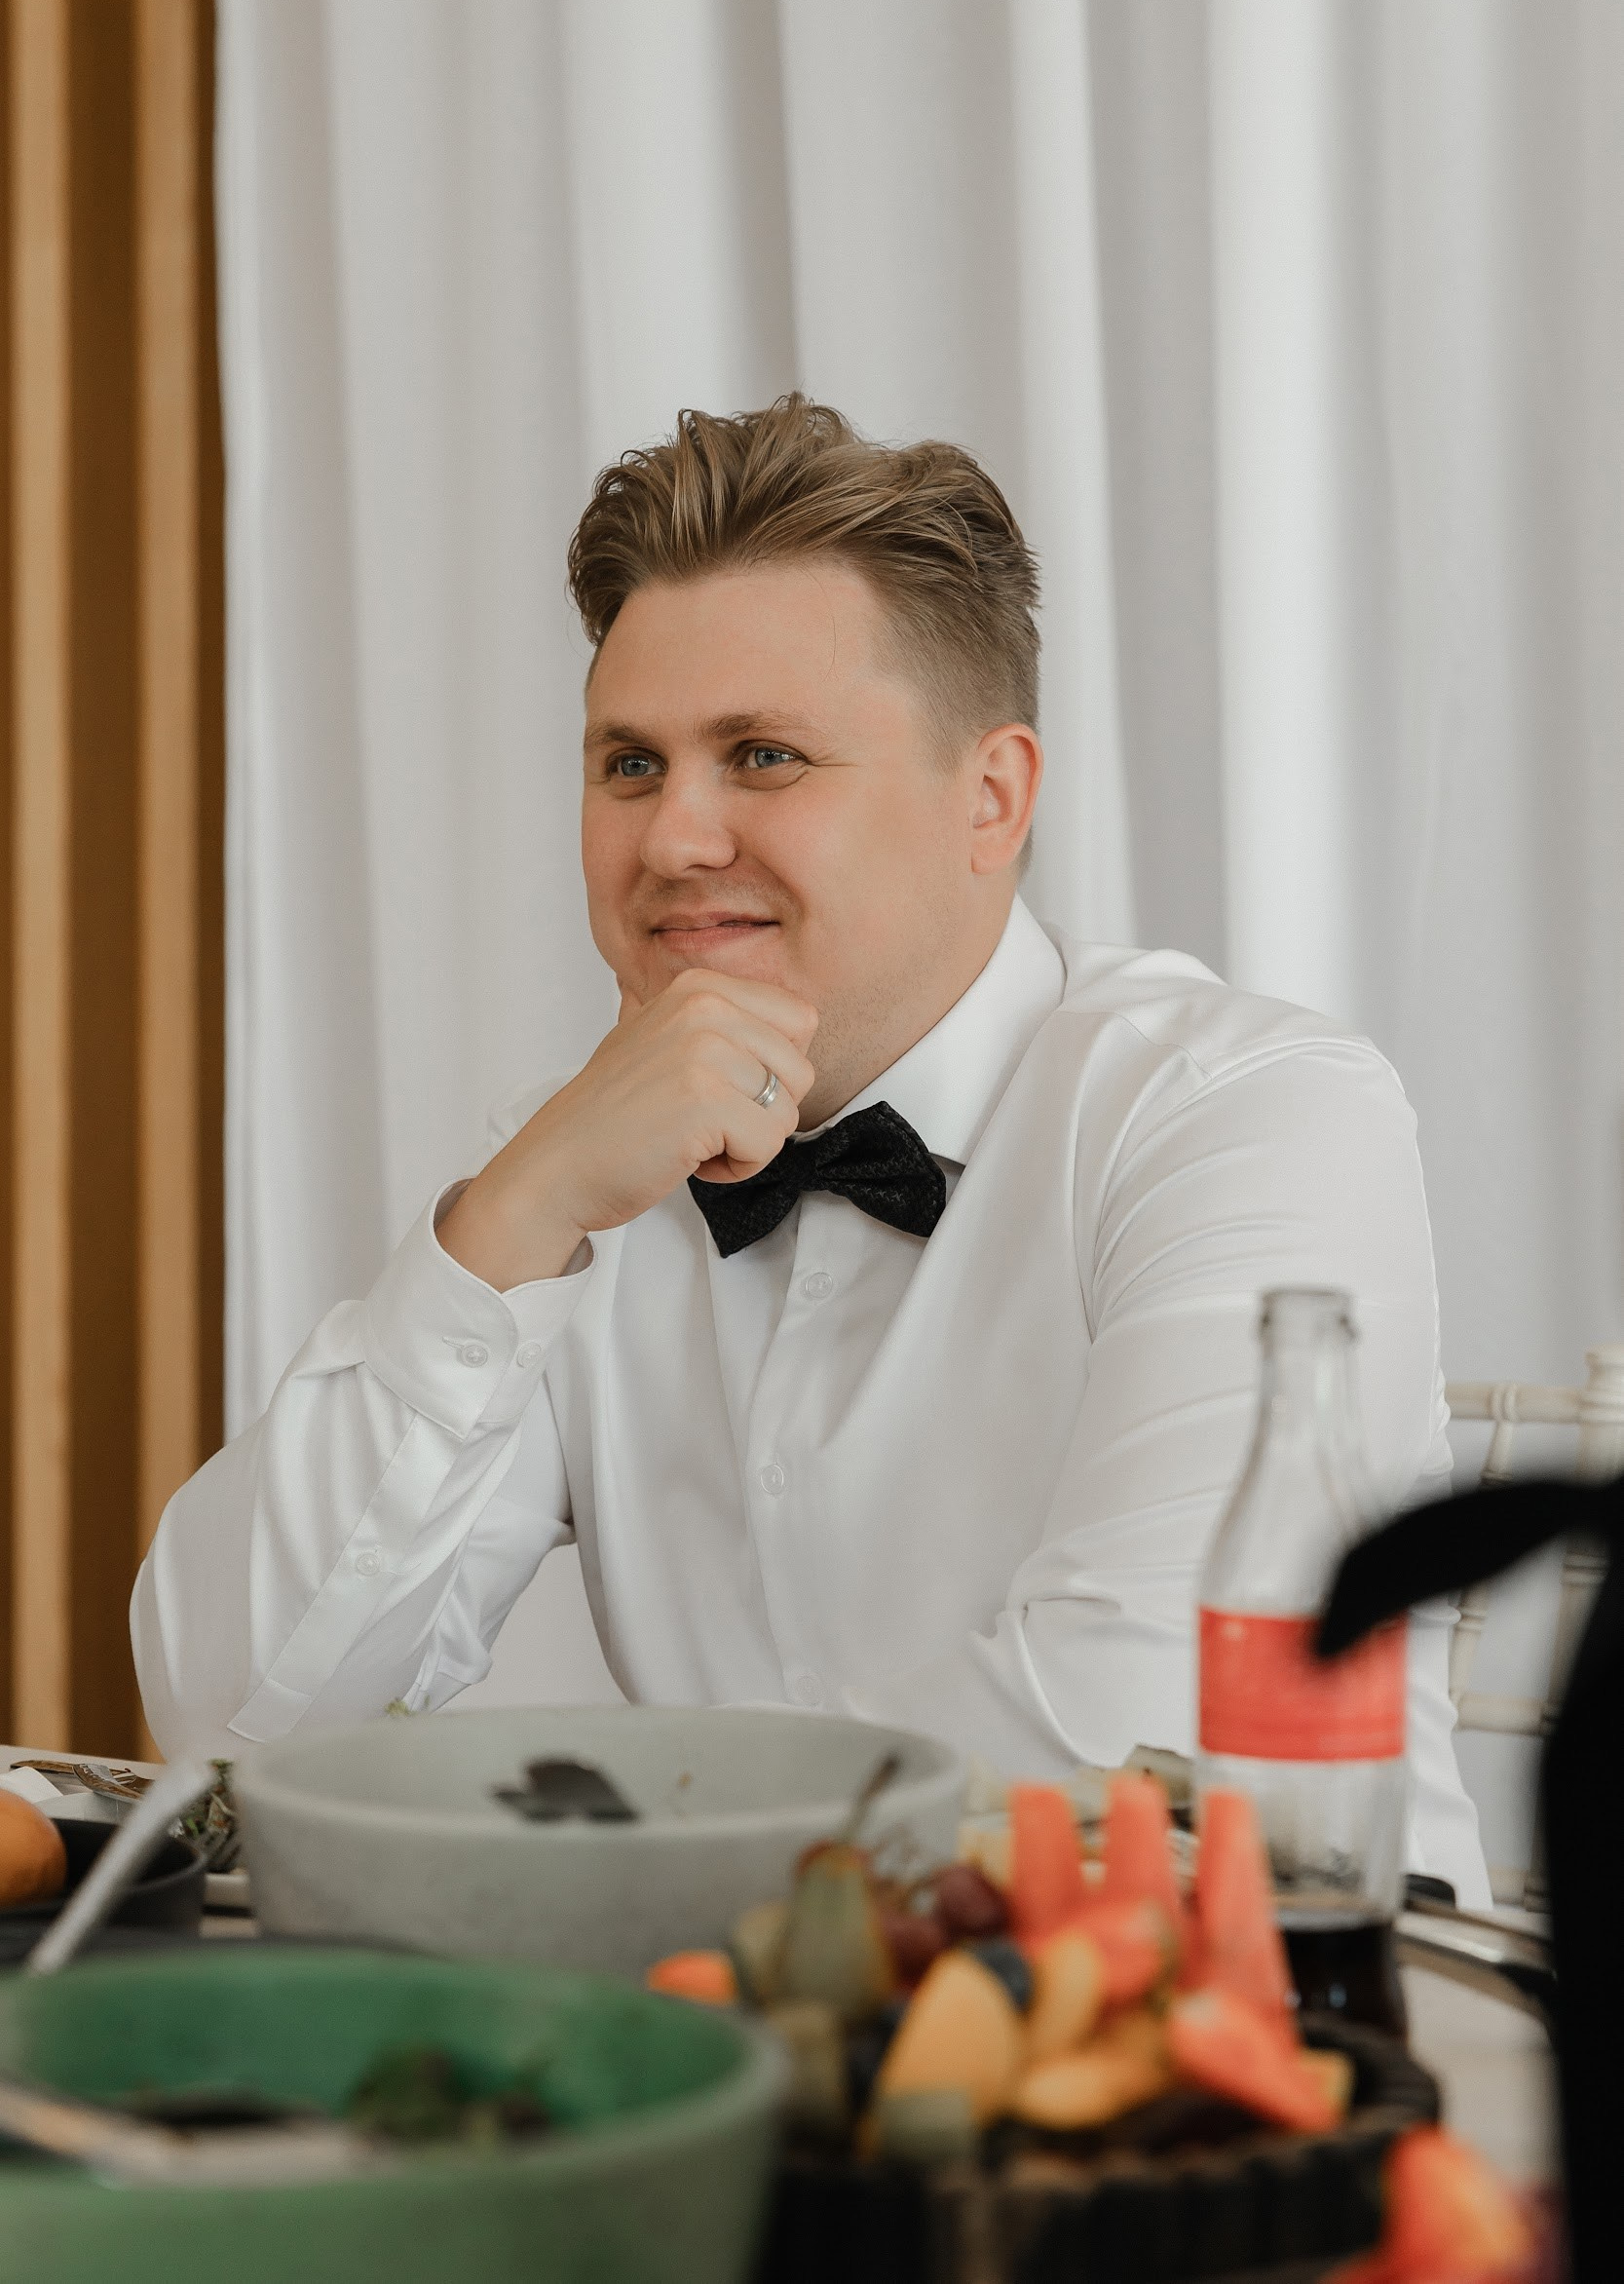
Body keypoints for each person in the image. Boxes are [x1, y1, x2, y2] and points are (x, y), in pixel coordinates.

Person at [132, 394, 1490, 1905]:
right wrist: (520, 1208)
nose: (672, 840)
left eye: (764, 755)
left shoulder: (1246, 1113)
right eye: (629, 765)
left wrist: (614, 1874)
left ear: (992, 800)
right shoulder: (585, 1171)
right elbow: (234, 1725)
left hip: (1280, 2023)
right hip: (754, 2032)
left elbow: (1138, 1758)